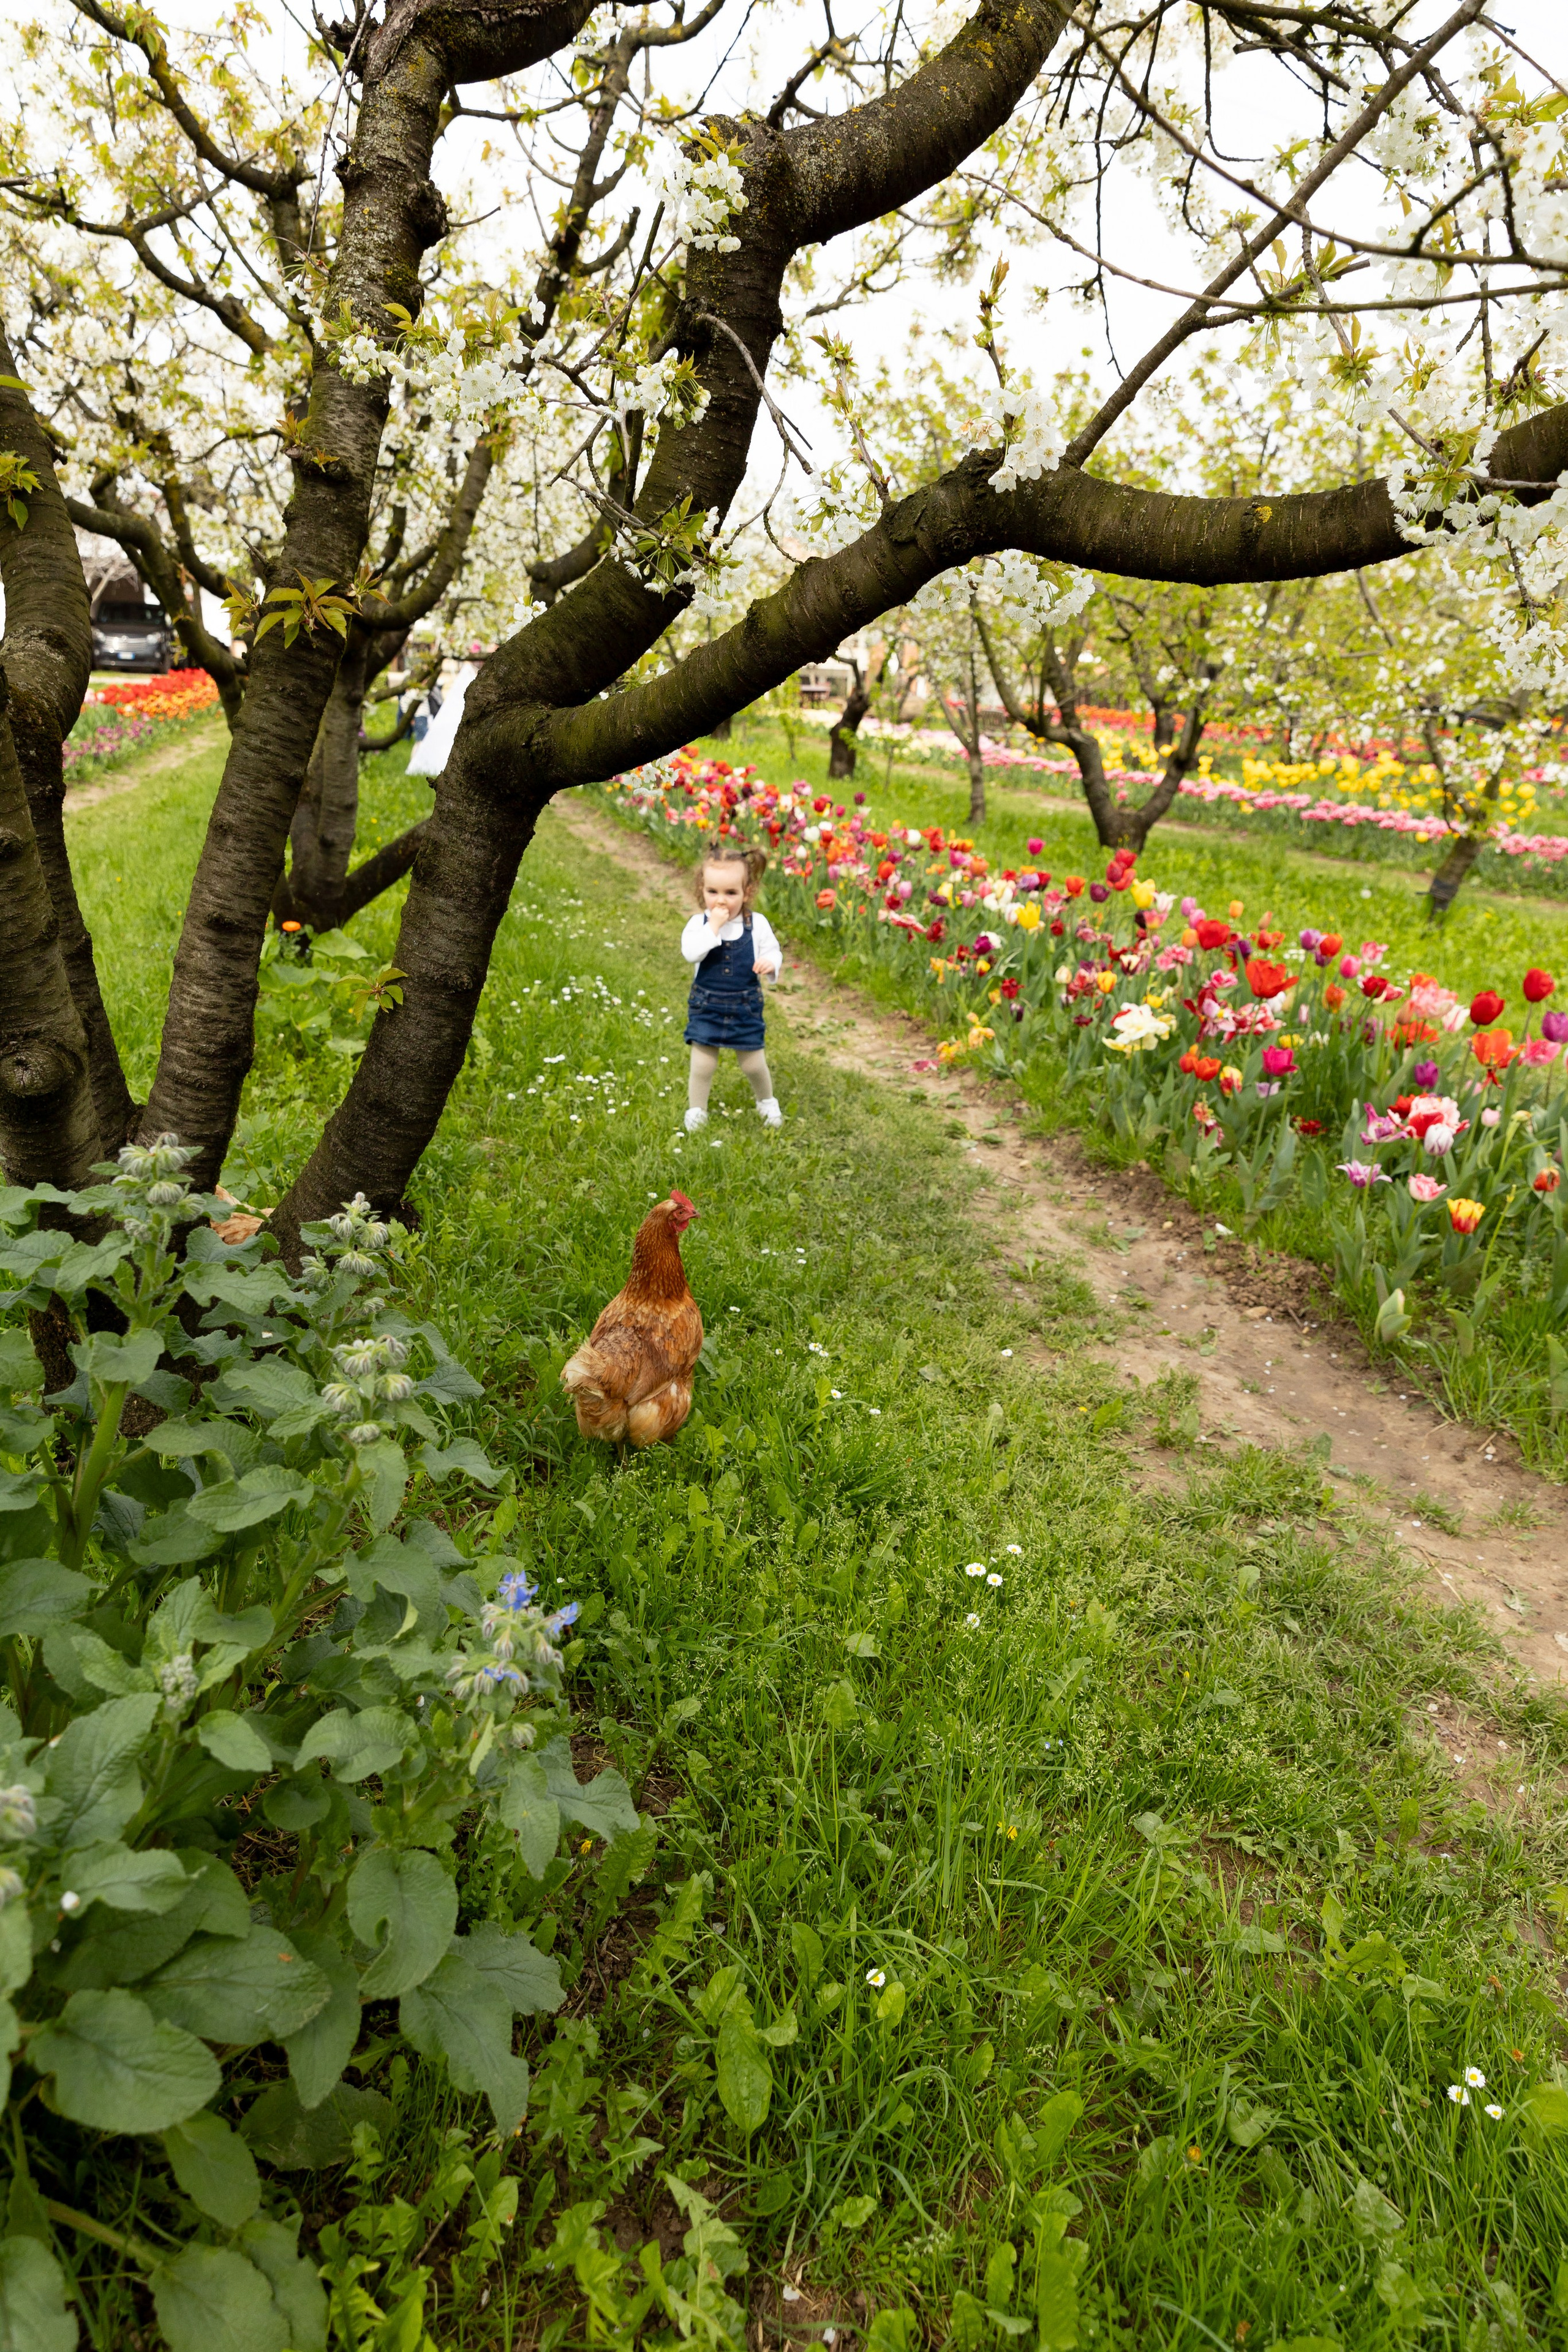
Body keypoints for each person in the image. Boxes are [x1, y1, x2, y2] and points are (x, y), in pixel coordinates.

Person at [681, 847, 785, 1131]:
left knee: (753, 1063)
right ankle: (697, 1110)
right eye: (712, 892)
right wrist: (713, 927)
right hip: (707, 1006)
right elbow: (691, 953)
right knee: (703, 1064)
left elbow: (773, 950)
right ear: (702, 889)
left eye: (730, 893)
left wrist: (771, 963)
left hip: (745, 1006)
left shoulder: (757, 924)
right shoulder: (699, 925)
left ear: (747, 892)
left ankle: (766, 1101)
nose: (721, 900)